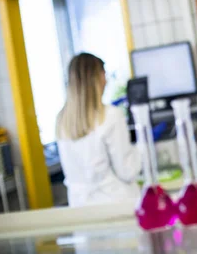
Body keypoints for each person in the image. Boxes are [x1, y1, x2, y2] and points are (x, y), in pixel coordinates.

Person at [56, 53, 141, 207]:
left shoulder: (62, 120)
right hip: (116, 206)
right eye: (104, 75)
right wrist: (142, 146)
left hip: (80, 210)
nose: (106, 81)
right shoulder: (111, 115)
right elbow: (128, 171)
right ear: (96, 78)